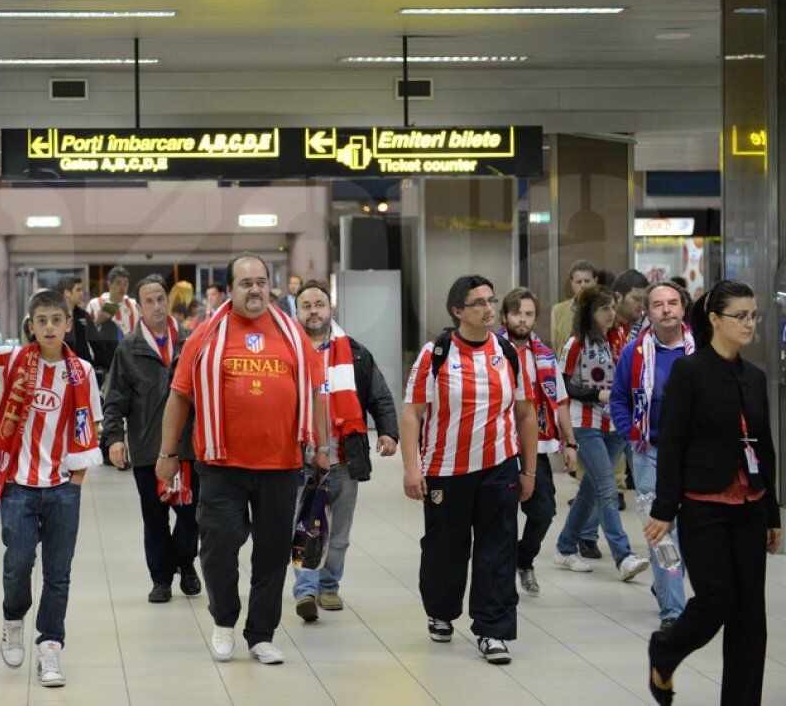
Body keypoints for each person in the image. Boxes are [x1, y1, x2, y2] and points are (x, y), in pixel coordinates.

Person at [158, 253, 328, 665]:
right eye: (246, 282)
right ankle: (223, 620)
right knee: (218, 548)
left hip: (282, 465)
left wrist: (322, 448)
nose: (255, 289)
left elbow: (316, 393)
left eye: (262, 282)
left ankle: (261, 635)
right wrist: (166, 454)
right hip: (221, 466)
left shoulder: (291, 334)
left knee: (271, 553)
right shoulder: (205, 335)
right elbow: (179, 395)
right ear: (229, 289)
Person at [0, 276, 103, 688]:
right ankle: (13, 618)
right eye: (41, 320)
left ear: (69, 324)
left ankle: (50, 646)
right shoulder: (12, 360)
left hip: (62, 488)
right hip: (17, 485)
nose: (49, 327)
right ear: (31, 326)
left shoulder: (81, 370)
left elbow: (90, 426)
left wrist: (76, 480)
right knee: (18, 563)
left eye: (56, 319)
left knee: (59, 572)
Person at [646, 280, 781, 706]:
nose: (749, 324)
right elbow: (673, 443)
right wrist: (665, 509)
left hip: (751, 506)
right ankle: (665, 651)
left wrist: (774, 513)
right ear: (714, 320)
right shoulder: (690, 373)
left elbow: (765, 446)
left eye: (753, 315)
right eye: (740, 316)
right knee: (717, 600)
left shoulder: (754, 377)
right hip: (704, 505)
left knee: (750, 618)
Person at [401, 275, 537, 665]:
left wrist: (528, 471)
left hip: (499, 467)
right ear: (457, 311)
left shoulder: (508, 353)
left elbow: (526, 414)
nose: (489, 308)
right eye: (477, 303)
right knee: (446, 549)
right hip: (446, 469)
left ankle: (492, 631)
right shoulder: (436, 353)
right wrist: (412, 469)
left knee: (497, 549)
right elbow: (412, 413)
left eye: (491, 300)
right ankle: (441, 612)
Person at [291, 281, 399, 622]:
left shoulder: (354, 352)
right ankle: (306, 591)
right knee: (306, 528)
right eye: (306, 305)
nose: (313, 310)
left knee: (338, 535)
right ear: (297, 312)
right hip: (299, 458)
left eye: (319, 304)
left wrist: (388, 432)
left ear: (330, 308)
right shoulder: (287, 350)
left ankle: (329, 585)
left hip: (343, 457)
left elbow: (379, 395)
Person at [102, 275, 201, 604]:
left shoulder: (191, 341)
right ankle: (161, 579)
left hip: (189, 447)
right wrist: (115, 438)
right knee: (154, 519)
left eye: (161, 298)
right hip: (147, 449)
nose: (157, 306)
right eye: (150, 301)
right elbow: (114, 398)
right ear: (139, 307)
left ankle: (186, 563)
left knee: (190, 516)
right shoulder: (129, 348)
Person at [552, 286, 650, 582]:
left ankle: (565, 547)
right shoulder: (575, 343)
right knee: (608, 488)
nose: (610, 314)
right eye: (603, 309)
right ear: (589, 313)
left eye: (612, 307)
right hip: (586, 424)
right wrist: (599, 395)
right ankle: (623, 556)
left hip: (616, 425)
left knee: (591, 490)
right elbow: (564, 386)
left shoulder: (619, 337)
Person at [610, 282, 693, 631]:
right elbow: (618, 399)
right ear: (648, 312)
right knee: (660, 532)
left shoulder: (700, 350)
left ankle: (666, 584)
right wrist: (633, 432)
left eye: (673, 303)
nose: (667, 310)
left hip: (694, 455)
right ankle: (673, 611)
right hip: (650, 453)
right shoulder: (635, 352)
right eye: (659, 305)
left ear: (683, 308)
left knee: (689, 531)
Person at [498, 288, 578, 597]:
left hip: (538, 447)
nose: (523, 319)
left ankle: (524, 560)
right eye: (517, 313)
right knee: (502, 518)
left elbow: (560, 402)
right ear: (505, 316)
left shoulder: (543, 355)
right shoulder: (494, 351)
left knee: (543, 512)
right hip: (500, 447)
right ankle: (502, 580)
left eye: (529, 314)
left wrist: (570, 443)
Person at [551, 259, 598, 356]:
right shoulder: (558, 310)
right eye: (578, 282)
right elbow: (556, 346)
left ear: (595, 281)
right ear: (571, 283)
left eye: (587, 281)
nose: (583, 285)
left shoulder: (605, 308)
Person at [87, 265, 140, 336]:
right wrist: (97, 322)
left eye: (125, 284)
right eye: (118, 283)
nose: (123, 287)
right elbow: (83, 332)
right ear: (110, 285)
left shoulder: (135, 305)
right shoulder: (94, 304)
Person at [56, 274, 94, 364]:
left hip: (82, 368)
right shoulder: (53, 317)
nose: (81, 294)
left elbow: (97, 344)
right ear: (67, 292)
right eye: (78, 290)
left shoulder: (83, 315)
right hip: (60, 367)